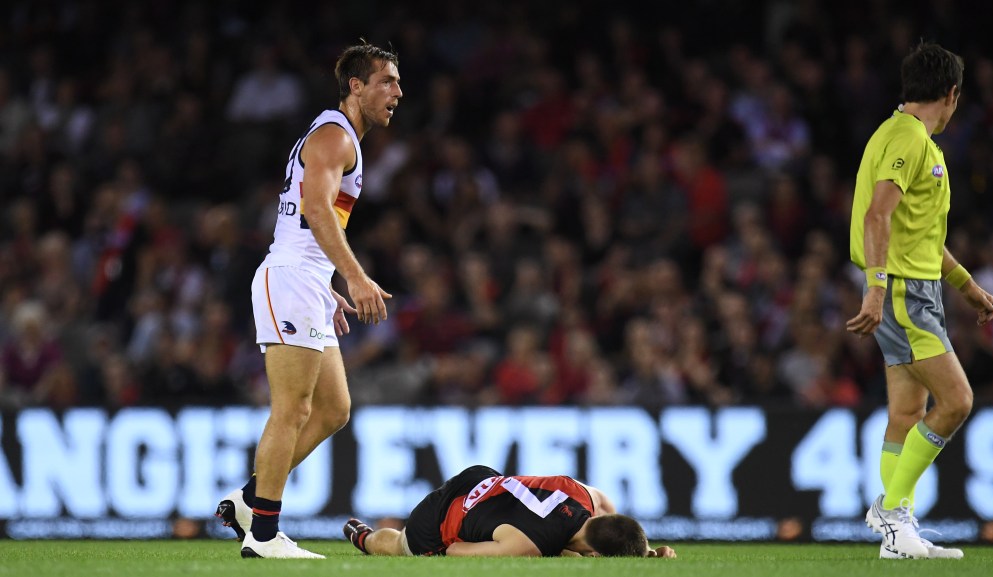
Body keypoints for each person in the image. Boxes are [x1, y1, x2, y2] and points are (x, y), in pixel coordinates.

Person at [214, 42, 402, 559]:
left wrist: (330, 285)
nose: (397, 92)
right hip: (291, 278)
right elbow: (316, 213)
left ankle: (251, 502)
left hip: (309, 282)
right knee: (292, 407)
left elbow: (312, 215)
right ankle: (265, 535)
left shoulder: (342, 138)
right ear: (356, 87)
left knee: (334, 408)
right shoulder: (334, 136)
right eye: (387, 81)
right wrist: (355, 278)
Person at [846, 41, 993, 560]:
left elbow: (920, 234)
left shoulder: (901, 135)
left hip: (913, 284)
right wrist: (877, 286)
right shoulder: (910, 139)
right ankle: (890, 511)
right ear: (951, 94)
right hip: (903, 291)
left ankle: (898, 535)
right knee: (957, 401)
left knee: (907, 411)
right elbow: (877, 216)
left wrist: (968, 287)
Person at [342, 464, 677, 558]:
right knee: (401, 546)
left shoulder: (592, 500)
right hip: (444, 514)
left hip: (484, 479)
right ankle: (366, 538)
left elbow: (612, 526)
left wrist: (647, 552)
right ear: (592, 550)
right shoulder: (525, 545)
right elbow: (457, 549)